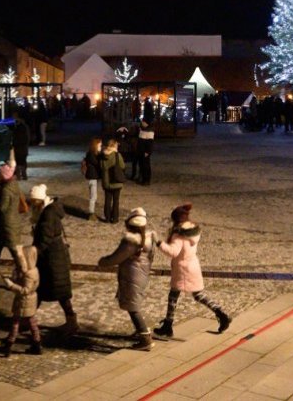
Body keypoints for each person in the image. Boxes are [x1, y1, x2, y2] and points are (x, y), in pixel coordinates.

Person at [154, 202, 232, 337]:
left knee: (174, 296)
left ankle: (168, 325)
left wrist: (158, 242)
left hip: (182, 269)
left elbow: (173, 252)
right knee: (197, 295)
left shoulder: (179, 235)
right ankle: (221, 314)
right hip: (193, 265)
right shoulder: (194, 231)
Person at [98, 207, 158, 351]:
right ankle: (142, 332)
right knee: (134, 304)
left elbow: (116, 257)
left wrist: (103, 261)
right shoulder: (149, 239)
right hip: (141, 275)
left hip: (131, 277)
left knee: (133, 307)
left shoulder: (131, 242)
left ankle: (145, 338)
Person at [29, 184, 77, 336]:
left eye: (33, 202)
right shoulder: (48, 211)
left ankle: (27, 318)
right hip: (53, 258)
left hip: (52, 259)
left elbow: (44, 239)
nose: (31, 205)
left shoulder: (48, 214)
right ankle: (71, 321)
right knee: (46, 290)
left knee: (48, 290)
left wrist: (32, 253)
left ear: (40, 200)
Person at [0, 245, 42, 357]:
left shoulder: (28, 275)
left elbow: (25, 290)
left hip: (24, 301)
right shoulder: (34, 270)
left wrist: (11, 285)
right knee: (32, 322)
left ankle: (9, 344)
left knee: (15, 323)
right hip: (31, 301)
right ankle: (37, 344)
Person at [99, 139, 126, 223]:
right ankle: (115, 218)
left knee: (107, 200)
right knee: (116, 201)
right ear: (114, 146)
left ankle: (107, 218)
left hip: (107, 182)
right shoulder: (117, 155)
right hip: (116, 182)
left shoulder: (103, 156)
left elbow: (101, 167)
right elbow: (122, 166)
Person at [82, 137, 102, 221]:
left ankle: (91, 212)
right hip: (92, 177)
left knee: (93, 196)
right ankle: (91, 213)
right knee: (93, 196)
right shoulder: (91, 155)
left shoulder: (92, 154)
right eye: (100, 145)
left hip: (93, 177)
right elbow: (97, 164)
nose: (101, 147)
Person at [12, 111, 30, 180]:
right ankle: (23, 175)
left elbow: (17, 138)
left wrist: (13, 143)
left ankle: (18, 175)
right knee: (23, 161)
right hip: (23, 147)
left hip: (19, 146)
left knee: (19, 161)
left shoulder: (19, 127)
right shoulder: (24, 126)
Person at [136, 121, 155, 185]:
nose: (142, 123)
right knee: (141, 165)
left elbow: (150, 143)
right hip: (140, 151)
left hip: (145, 152)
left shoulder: (150, 131)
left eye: (144, 122)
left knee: (146, 166)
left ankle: (146, 180)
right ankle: (143, 178)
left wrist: (147, 151)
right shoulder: (142, 129)